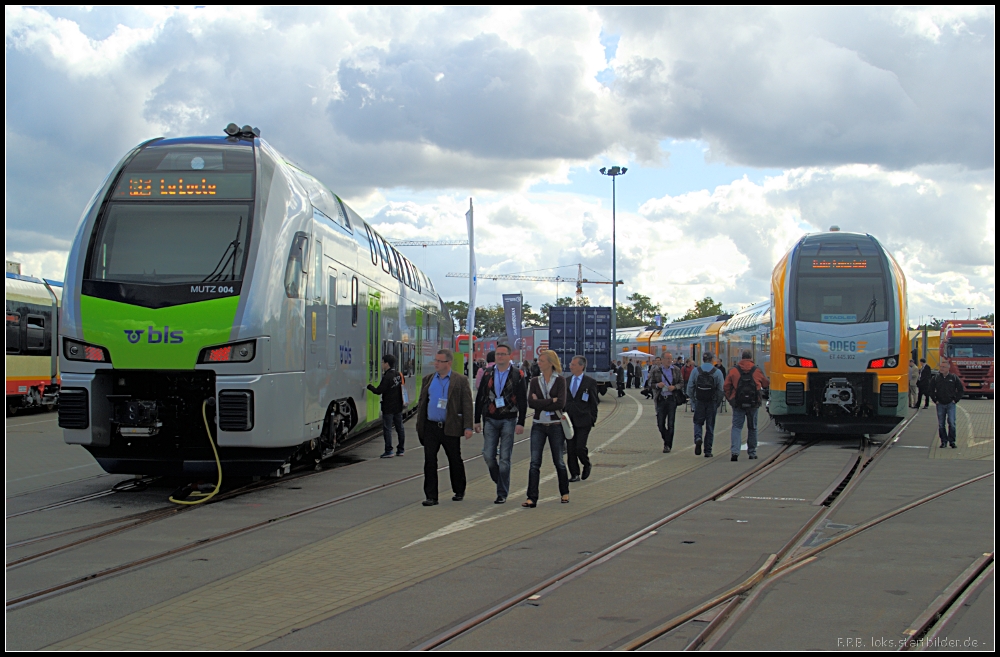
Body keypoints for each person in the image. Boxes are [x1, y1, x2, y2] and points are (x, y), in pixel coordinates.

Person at [415, 348, 474, 506]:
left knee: (454, 459)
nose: (436, 364)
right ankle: (431, 496)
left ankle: (459, 490)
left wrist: (468, 426)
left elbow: (467, 404)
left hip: (450, 427)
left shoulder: (460, 380)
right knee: (429, 461)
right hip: (431, 426)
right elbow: (422, 403)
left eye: (439, 361)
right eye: (435, 360)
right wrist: (419, 424)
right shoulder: (428, 379)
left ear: (448, 363)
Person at [474, 344, 527, 504]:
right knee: (488, 455)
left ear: (510, 356)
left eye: (503, 354)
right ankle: (499, 479)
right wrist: (476, 419)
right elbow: (481, 397)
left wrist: (521, 422)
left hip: (509, 419)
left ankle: (502, 493)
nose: (500, 357)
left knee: (505, 458)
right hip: (490, 418)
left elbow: (523, 400)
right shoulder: (488, 373)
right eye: (498, 354)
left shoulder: (517, 374)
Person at [524, 350, 570, 507]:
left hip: (555, 425)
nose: (539, 363)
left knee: (558, 461)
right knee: (534, 462)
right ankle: (532, 497)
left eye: (542, 360)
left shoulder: (560, 381)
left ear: (551, 363)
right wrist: (550, 400)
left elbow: (560, 404)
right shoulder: (535, 381)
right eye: (539, 360)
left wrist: (541, 401)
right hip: (538, 424)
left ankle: (564, 492)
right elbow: (531, 403)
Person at [724, 349, 770, 461]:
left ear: (741, 357)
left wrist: (731, 400)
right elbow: (765, 383)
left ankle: (735, 452)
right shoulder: (757, 370)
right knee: (753, 428)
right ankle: (752, 453)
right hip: (753, 404)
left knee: (736, 427)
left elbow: (726, 386)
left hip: (738, 404)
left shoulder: (734, 370)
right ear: (751, 357)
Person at [565, 355, 599, 482]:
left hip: (584, 420)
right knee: (570, 448)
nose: (570, 366)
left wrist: (592, 418)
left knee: (580, 447)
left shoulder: (589, 382)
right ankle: (574, 473)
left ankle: (586, 463)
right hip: (569, 420)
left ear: (581, 366)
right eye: (571, 364)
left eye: (573, 364)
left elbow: (594, 402)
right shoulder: (566, 381)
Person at [367, 353, 406, 458]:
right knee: (400, 428)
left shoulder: (387, 377)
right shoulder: (399, 374)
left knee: (388, 429)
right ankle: (401, 449)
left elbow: (379, 391)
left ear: (387, 364)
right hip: (398, 406)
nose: (381, 364)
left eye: (382, 362)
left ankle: (389, 450)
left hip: (388, 407)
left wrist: (369, 387)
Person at [687, 352, 724, 458]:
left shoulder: (696, 371)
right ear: (712, 360)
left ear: (702, 359)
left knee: (698, 422)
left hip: (699, 401)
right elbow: (721, 390)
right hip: (711, 402)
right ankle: (708, 451)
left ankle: (698, 438)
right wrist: (717, 402)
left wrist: (694, 400)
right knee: (710, 426)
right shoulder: (717, 372)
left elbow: (689, 388)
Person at [648, 353, 683, 453]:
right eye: (667, 359)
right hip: (661, 398)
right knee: (660, 423)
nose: (669, 360)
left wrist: (675, 387)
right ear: (662, 360)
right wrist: (658, 385)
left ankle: (667, 445)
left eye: (670, 359)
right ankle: (666, 439)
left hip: (672, 399)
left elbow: (681, 383)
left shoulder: (676, 370)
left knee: (671, 423)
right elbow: (651, 384)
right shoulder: (656, 371)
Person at [929, 360, 964, 448]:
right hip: (940, 404)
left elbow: (960, 390)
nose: (941, 368)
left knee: (952, 422)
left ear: (948, 368)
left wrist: (955, 400)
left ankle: (952, 441)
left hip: (950, 404)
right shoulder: (936, 378)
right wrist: (935, 400)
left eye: (943, 367)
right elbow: (931, 389)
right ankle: (943, 441)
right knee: (941, 424)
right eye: (941, 367)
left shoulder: (953, 378)